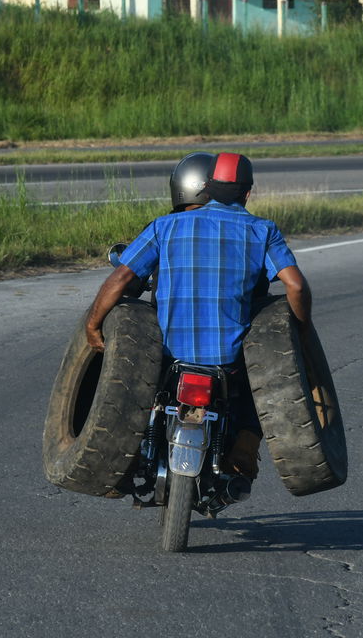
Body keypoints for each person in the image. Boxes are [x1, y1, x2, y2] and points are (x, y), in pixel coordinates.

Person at [84, 152, 311, 481]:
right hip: (228, 360)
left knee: (133, 384)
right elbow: (297, 287)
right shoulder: (263, 231)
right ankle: (246, 444)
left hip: (169, 354)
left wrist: (93, 326)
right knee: (260, 374)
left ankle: (124, 456)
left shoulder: (165, 226)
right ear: (248, 193)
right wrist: (302, 336)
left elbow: (119, 280)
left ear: (207, 188)